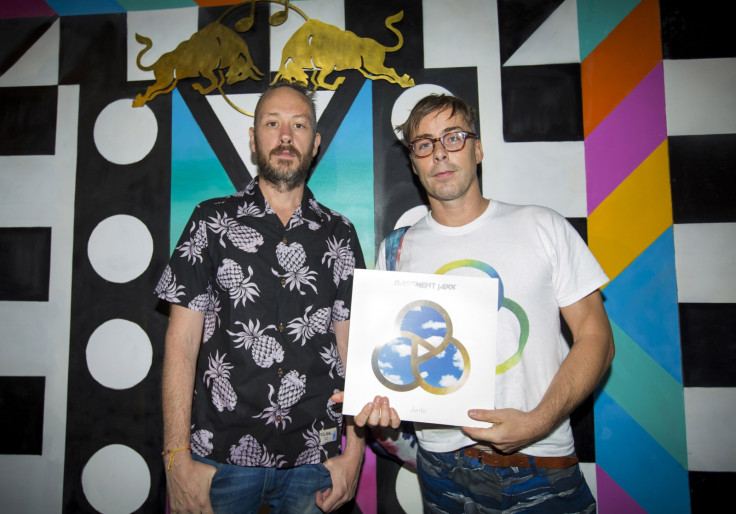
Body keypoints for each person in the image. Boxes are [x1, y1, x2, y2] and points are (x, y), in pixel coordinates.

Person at [347, 93, 615, 513]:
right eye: (424, 144)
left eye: (453, 137)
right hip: (443, 472)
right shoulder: (395, 251)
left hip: (541, 460)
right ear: (414, 162)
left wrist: (539, 421)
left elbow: (597, 336)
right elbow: (394, 367)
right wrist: (375, 399)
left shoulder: (541, 225)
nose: (439, 153)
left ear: (478, 148)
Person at [154, 80, 365, 514]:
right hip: (218, 459)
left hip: (316, 460)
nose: (285, 136)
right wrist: (175, 458)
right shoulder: (210, 221)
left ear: (316, 143)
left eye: (299, 125)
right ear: (253, 138)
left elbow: (353, 347)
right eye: (272, 123)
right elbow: (181, 343)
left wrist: (355, 453)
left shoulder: (340, 233)